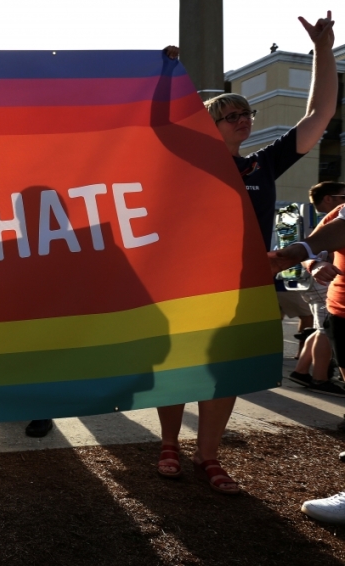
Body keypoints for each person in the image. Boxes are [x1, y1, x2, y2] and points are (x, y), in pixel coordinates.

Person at [157, 11, 337, 495]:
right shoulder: (188, 164)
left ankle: (208, 455)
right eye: (230, 115)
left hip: (245, 283)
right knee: (180, 367)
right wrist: (165, 77)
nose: (243, 120)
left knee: (226, 370)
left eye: (246, 114)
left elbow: (317, 117)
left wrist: (323, 50)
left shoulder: (262, 163)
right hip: (188, 283)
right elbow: (156, 129)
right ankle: (169, 444)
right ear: (209, 124)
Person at [287, 182, 345, 395]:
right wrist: (315, 265)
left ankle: (304, 372)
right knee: (321, 330)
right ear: (329, 198)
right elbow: (305, 249)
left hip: (332, 300)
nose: (344, 199)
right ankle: (317, 378)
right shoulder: (335, 216)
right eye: (342, 196)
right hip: (339, 305)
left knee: (320, 329)